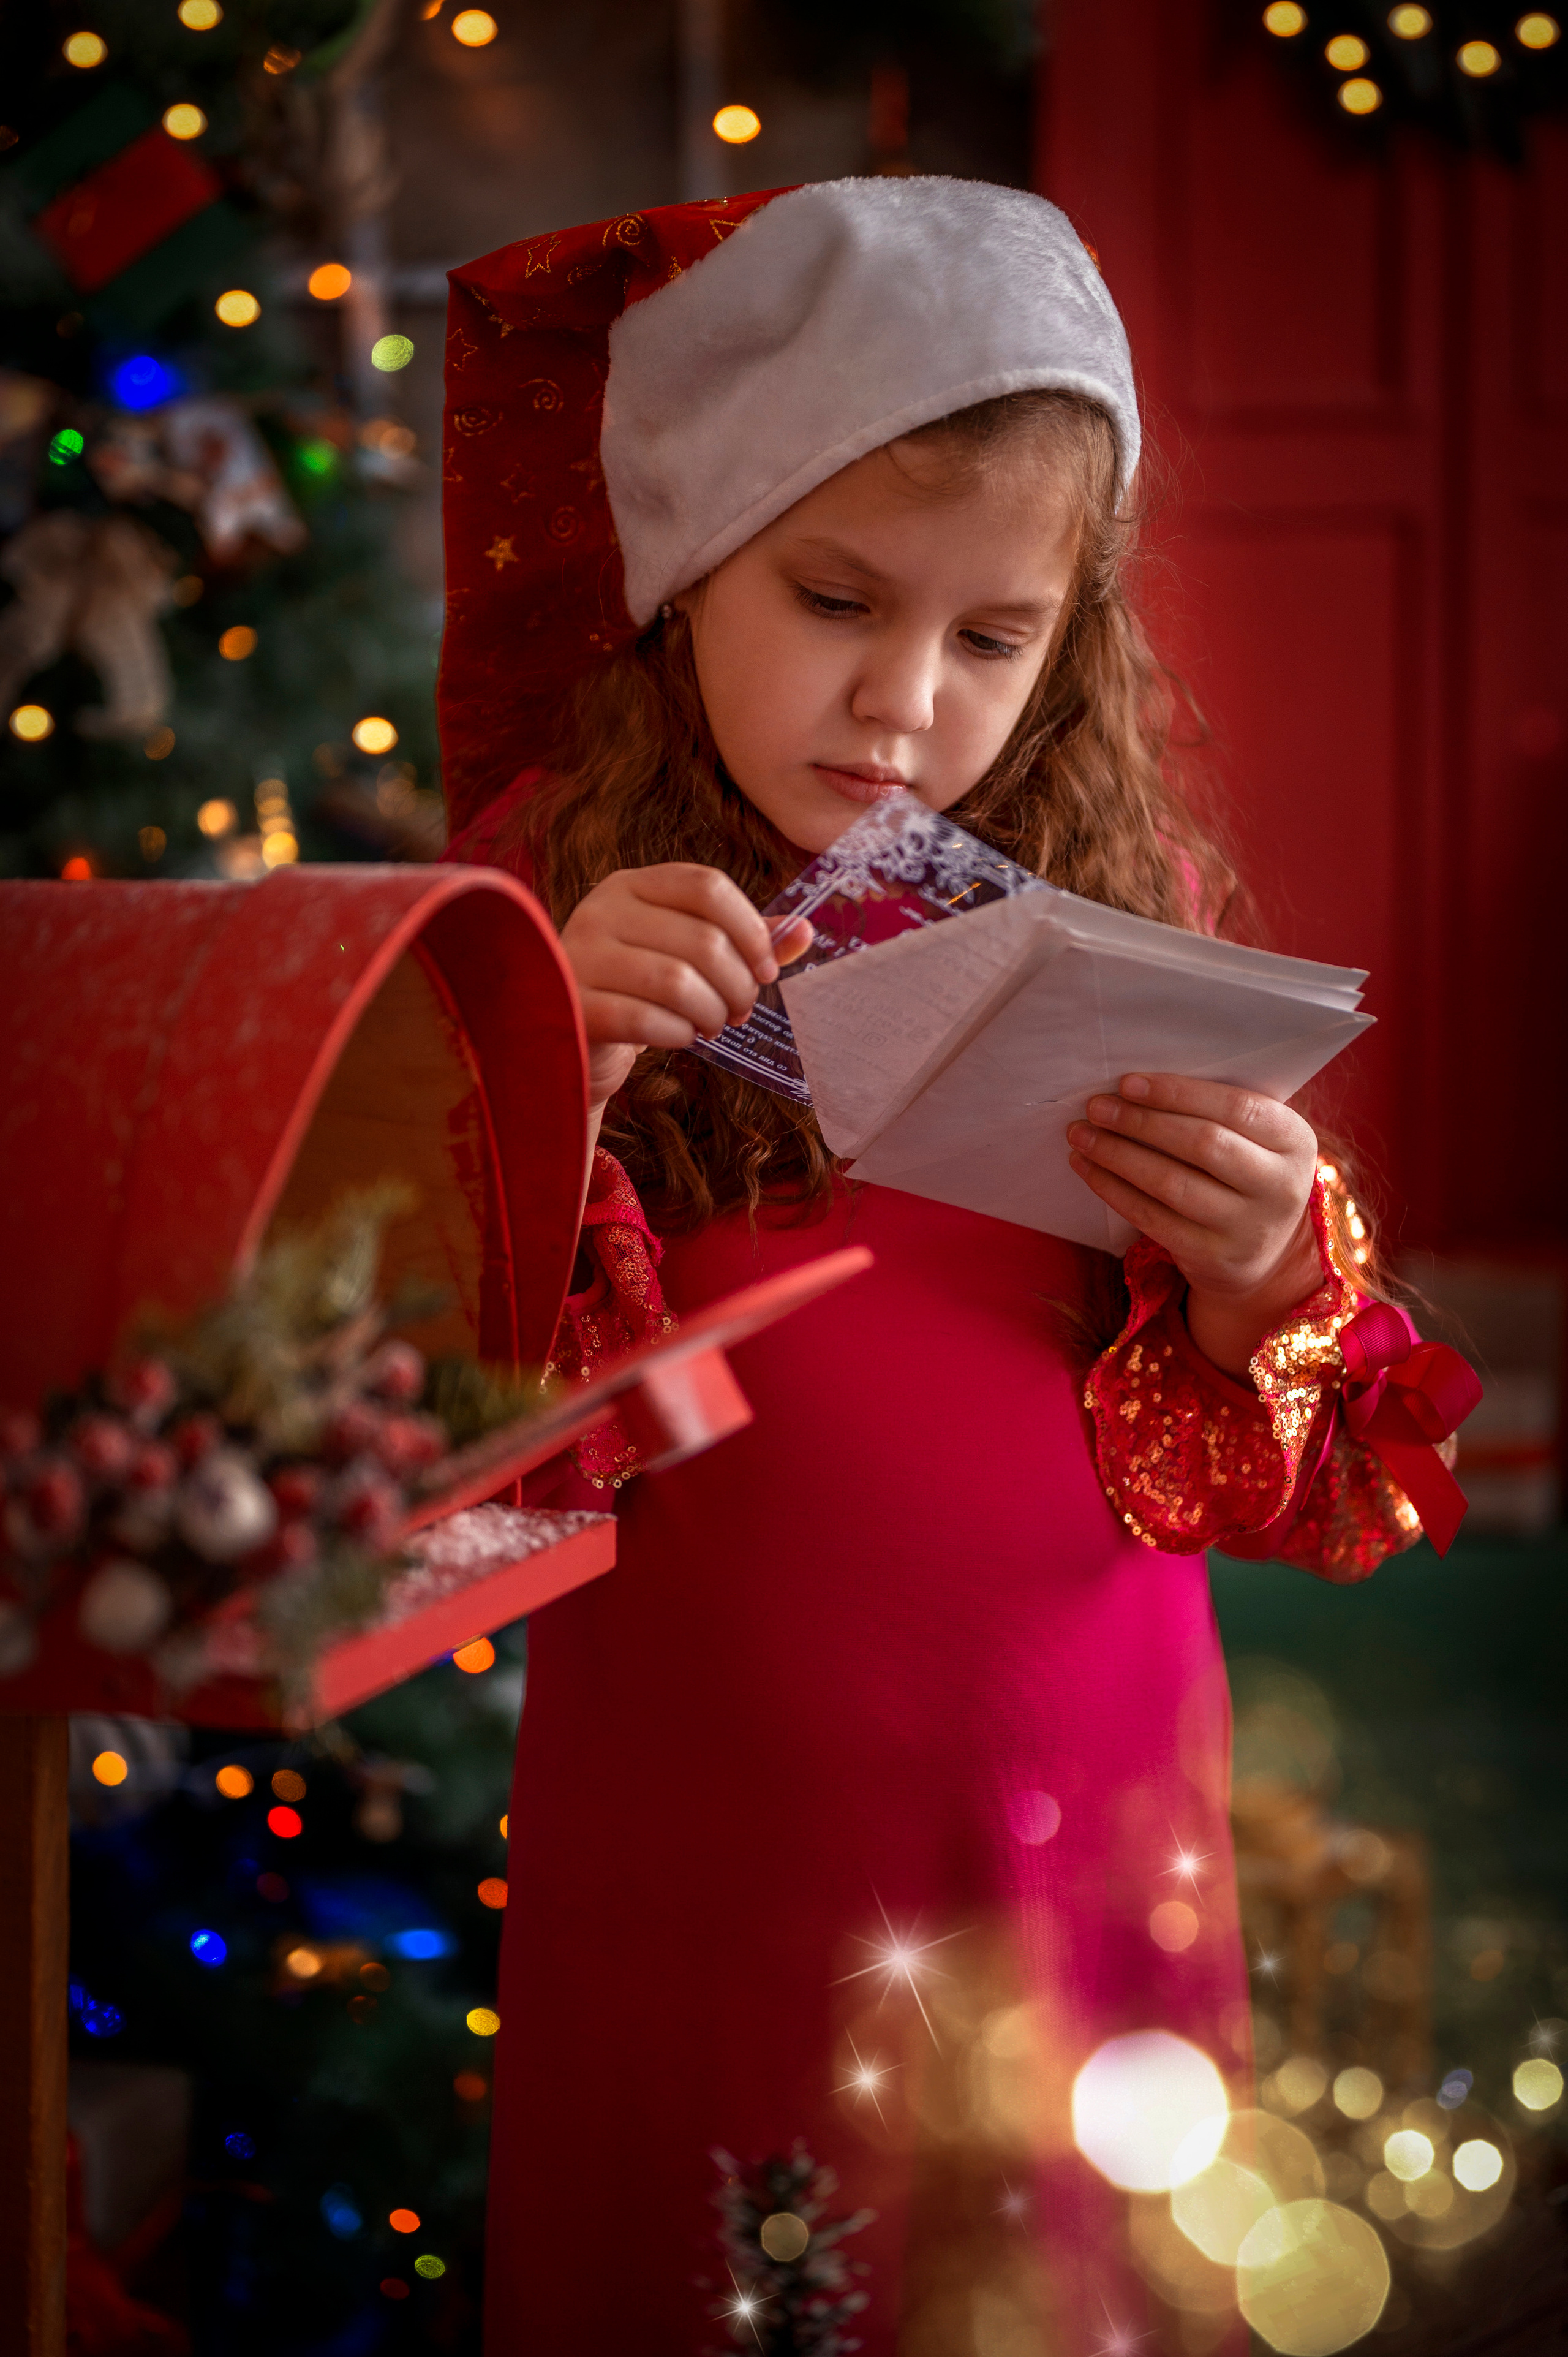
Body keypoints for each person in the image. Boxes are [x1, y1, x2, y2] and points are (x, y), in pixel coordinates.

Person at [436, 179, 1456, 2355]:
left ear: (1068, 640)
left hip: (1075, 1773)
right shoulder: (537, 901)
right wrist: (556, 1071)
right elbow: (426, 1423)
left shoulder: (1128, 895)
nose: (902, 703)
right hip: (705, 1796)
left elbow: (1304, 1425)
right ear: (686, 560)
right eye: (833, 598)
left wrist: (1261, 1263)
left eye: (993, 639)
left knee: (1053, 2258)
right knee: (712, 2252)